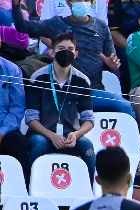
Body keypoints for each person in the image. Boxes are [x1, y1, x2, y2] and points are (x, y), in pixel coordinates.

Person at [13, 0, 135, 116]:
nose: (81, 2)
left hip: (94, 91)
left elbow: (112, 62)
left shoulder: (101, 27)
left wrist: (112, 66)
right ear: (68, 3)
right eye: (76, 0)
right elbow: (22, 26)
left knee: (125, 106)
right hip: (64, 92)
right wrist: (16, 6)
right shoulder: (56, 24)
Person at [24, 32, 96, 183]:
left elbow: (89, 119)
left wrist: (76, 134)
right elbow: (31, 118)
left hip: (70, 136)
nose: (66, 52)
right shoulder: (38, 77)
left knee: (87, 146)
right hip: (43, 134)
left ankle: (88, 190)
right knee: (38, 144)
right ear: (51, 52)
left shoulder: (82, 80)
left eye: (70, 49)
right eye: (61, 48)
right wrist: (51, 135)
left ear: (76, 54)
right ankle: (28, 185)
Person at [0, 52, 26, 162]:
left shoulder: (12, 70)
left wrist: (2, 131)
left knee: (16, 142)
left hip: (5, 128)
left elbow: (17, 108)